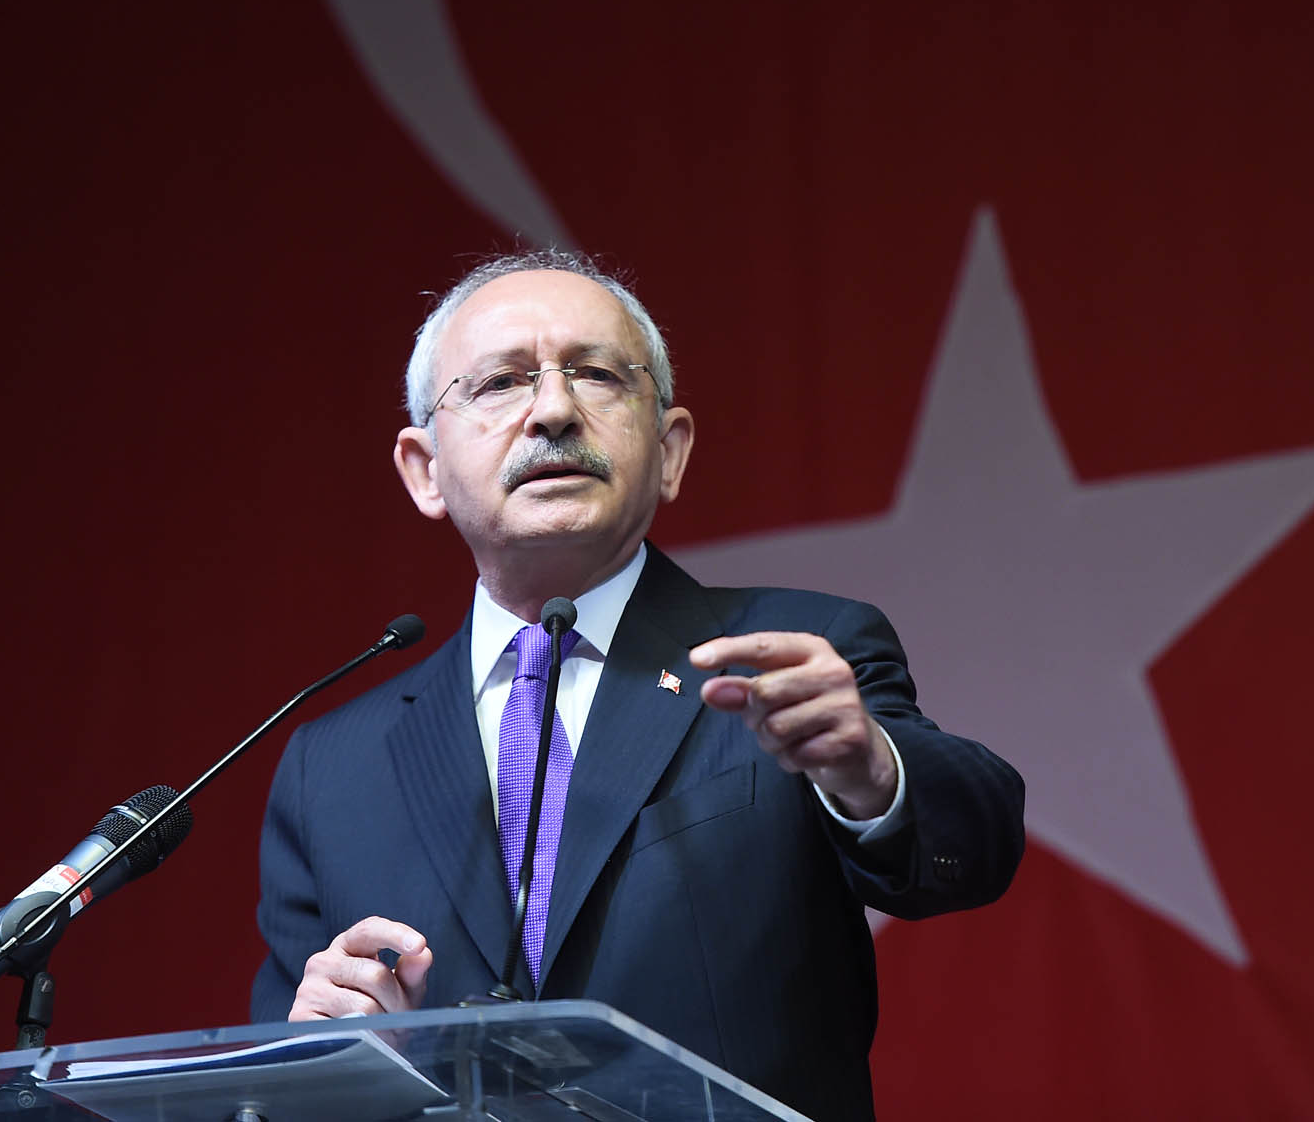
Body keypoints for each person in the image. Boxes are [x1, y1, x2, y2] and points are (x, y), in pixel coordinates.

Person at [251, 250, 1024, 1121]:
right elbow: (277, 1085)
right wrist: (315, 1052)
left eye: (597, 375)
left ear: (669, 451)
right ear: (424, 471)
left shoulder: (788, 662)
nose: (552, 410)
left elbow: (970, 851)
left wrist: (872, 769)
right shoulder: (331, 766)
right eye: (501, 382)